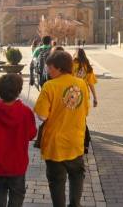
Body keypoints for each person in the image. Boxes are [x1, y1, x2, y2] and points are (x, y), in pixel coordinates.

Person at [34, 51, 89, 207]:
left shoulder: (49, 86)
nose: (48, 71)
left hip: (55, 144)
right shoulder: (81, 84)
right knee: (77, 176)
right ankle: (75, 204)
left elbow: (42, 116)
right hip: (75, 142)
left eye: (50, 68)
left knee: (57, 182)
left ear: (58, 68)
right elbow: (86, 111)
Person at [0, 74, 37, 207]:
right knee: (17, 197)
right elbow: (32, 134)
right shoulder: (26, 112)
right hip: (18, 164)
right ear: (19, 90)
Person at [73, 48, 98, 154]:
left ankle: (84, 141)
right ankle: (84, 142)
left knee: (76, 119)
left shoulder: (71, 65)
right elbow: (91, 84)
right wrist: (95, 98)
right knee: (82, 118)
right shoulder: (88, 67)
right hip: (84, 95)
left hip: (73, 94)